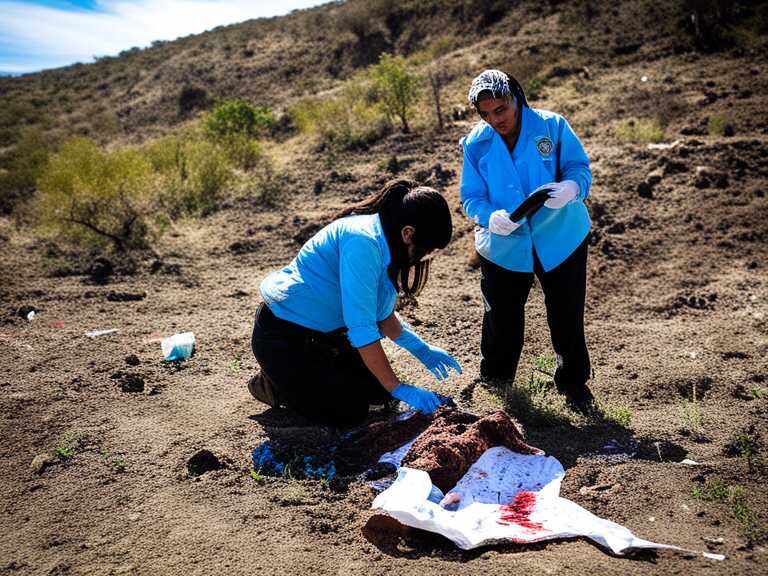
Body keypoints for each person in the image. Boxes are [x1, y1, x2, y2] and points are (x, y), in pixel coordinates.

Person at [248, 179, 462, 428]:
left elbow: (382, 316)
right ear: (408, 233)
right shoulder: (363, 243)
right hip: (283, 337)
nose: (423, 257)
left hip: (324, 336)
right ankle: (274, 384)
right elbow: (362, 328)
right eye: (425, 249)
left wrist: (422, 350)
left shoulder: (386, 242)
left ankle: (311, 373)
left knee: (379, 396)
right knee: (348, 413)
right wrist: (397, 386)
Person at [459, 69, 594, 412]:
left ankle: (573, 381)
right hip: (504, 245)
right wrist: (489, 217)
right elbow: (471, 197)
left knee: (566, 312)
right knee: (501, 317)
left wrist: (572, 188)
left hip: (561, 236)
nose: (495, 120)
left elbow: (579, 169)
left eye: (501, 109)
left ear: (516, 98)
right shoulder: (475, 144)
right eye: (486, 114)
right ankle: (496, 380)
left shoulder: (552, 126)